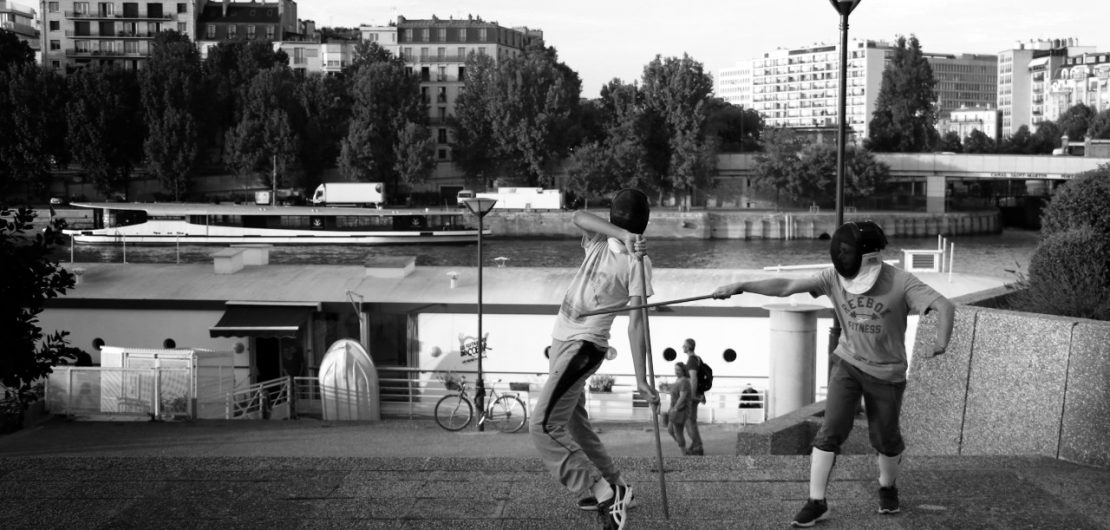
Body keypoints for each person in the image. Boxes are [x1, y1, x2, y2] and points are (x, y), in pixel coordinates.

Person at [711, 220, 955, 528]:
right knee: (830, 431)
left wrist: (941, 342)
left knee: (885, 440)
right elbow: (787, 286)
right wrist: (742, 285)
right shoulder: (833, 277)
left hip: (887, 373)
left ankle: (887, 486)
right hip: (847, 363)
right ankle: (817, 502)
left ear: (871, 257)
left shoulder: (902, 282)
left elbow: (944, 306)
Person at [529, 188, 659, 530]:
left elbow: (636, 323)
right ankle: (616, 484)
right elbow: (577, 217)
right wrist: (625, 235)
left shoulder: (638, 262)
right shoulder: (601, 239)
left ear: (614, 214)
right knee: (573, 423)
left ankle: (602, 492)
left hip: (584, 346)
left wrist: (641, 378)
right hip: (562, 339)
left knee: (542, 425)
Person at [681, 338, 705, 456]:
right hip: (697, 394)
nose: (682, 347)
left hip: (692, 395)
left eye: (684, 345)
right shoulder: (697, 359)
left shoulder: (691, 361)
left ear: (689, 346)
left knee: (689, 422)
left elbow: (694, 379)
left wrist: (692, 395)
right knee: (692, 421)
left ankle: (698, 447)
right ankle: (696, 444)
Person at [665, 362, 692, 453]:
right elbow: (675, 391)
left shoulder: (684, 381)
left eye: (678, 370)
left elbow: (682, 397)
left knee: (678, 432)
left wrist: (675, 408)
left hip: (680, 410)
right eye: (675, 369)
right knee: (670, 430)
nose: (676, 371)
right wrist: (667, 387)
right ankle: (682, 446)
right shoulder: (678, 380)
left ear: (683, 370)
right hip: (673, 409)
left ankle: (683, 452)